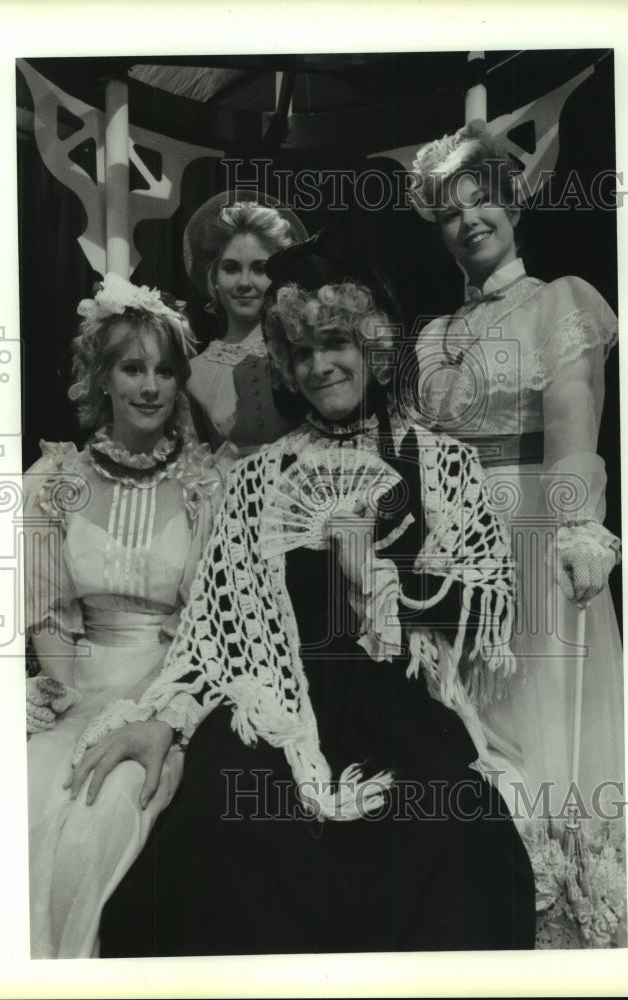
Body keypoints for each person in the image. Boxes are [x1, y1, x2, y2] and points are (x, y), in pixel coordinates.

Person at [66, 232, 536, 955]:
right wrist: (165, 720)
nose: (321, 366)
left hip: (397, 702)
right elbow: (215, 633)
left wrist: (383, 576)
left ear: (372, 345)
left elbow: (490, 602)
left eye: (336, 343)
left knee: (456, 837)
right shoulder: (256, 480)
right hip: (272, 705)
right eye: (302, 351)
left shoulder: (441, 462)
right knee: (211, 839)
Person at [408, 125, 626, 942]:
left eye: (483, 201)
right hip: (457, 550)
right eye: (450, 213)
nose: (469, 222)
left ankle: (567, 924)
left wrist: (579, 526)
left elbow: (574, 413)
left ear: (511, 203)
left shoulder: (559, 299)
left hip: (536, 529)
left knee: (541, 723)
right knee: (474, 731)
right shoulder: (431, 335)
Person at [24, 273, 230, 958]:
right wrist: (65, 696)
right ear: (102, 378)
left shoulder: (207, 488)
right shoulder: (53, 482)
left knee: (101, 815)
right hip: (76, 684)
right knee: (25, 798)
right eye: (132, 368)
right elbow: (49, 613)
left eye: (165, 371)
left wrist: (150, 711)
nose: (150, 386)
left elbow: (208, 627)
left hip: (168, 690)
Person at [183, 191, 308, 454]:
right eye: (231, 268)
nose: (244, 283)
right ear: (214, 276)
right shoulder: (193, 373)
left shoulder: (304, 354)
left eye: (260, 269)